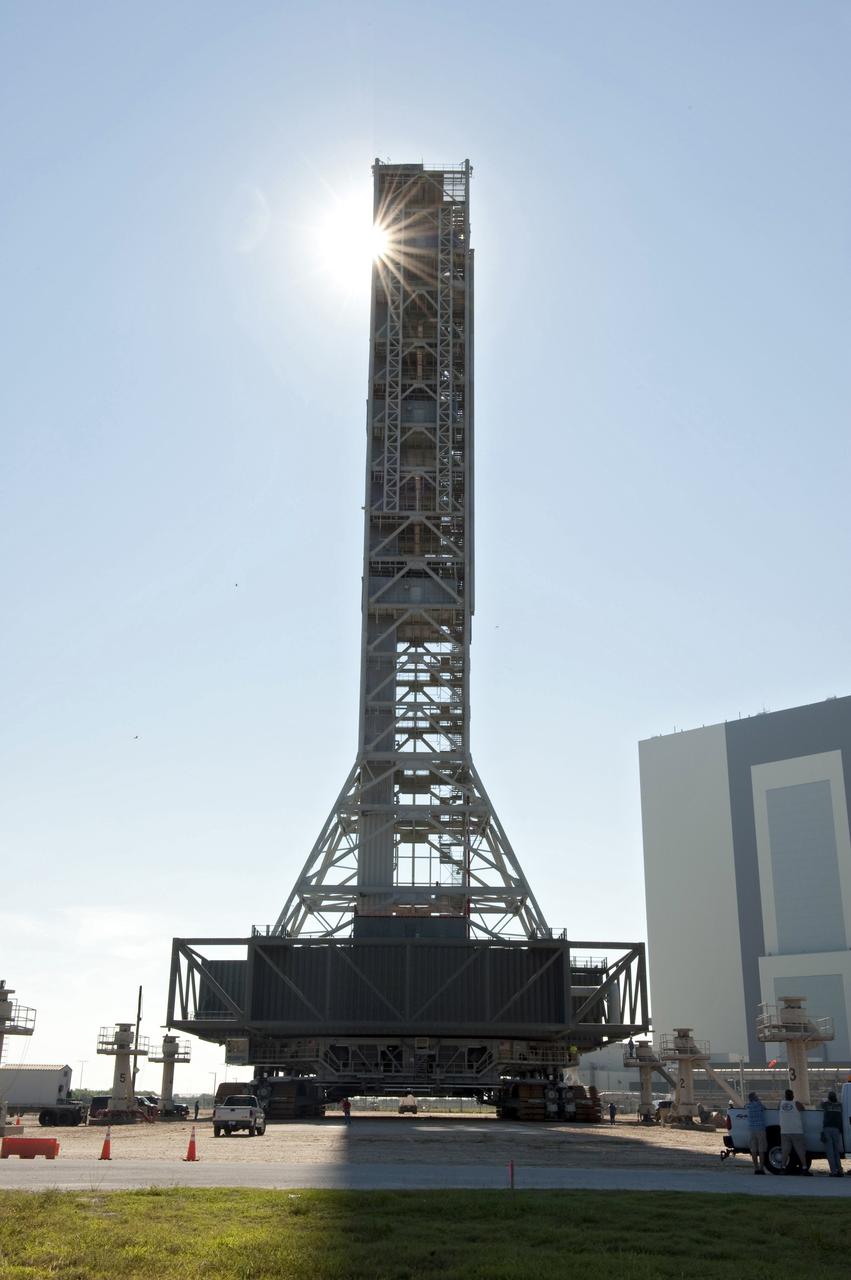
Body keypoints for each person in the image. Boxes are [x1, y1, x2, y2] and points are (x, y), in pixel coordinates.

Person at [778, 1088, 810, 1175]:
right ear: (792, 1096)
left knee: (785, 1151)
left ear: (785, 1096)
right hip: (796, 1131)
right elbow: (803, 1109)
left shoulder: (781, 1104)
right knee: (800, 1151)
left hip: (784, 1131)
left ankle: (783, 1168)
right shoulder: (796, 1103)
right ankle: (804, 1168)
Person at [820, 1090, 844, 1177]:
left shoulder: (826, 1104)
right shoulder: (839, 1105)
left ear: (829, 1098)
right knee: (836, 1151)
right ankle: (840, 1170)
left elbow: (821, 1103)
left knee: (830, 1151)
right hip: (836, 1129)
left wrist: (826, 1099)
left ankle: (833, 1171)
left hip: (827, 1129)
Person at [745, 1091, 767, 1174]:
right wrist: (758, 1101)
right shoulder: (759, 1105)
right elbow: (764, 1108)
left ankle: (756, 1168)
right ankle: (761, 1168)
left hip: (752, 1130)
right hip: (760, 1129)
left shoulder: (748, 1106)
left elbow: (745, 1106)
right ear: (755, 1098)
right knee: (761, 1149)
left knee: (753, 1150)